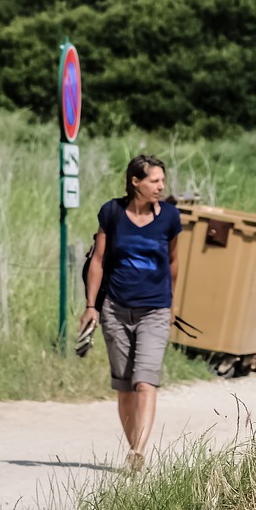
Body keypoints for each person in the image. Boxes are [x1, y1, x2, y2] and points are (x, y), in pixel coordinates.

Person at [79, 154, 181, 470]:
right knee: (124, 387)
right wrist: (91, 306)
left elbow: (174, 262)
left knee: (145, 381)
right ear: (135, 182)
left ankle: (137, 451)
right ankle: (134, 445)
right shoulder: (111, 212)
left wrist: (172, 304)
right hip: (115, 310)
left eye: (162, 181)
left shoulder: (170, 218)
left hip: (155, 310)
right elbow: (97, 260)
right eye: (154, 180)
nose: (161, 186)